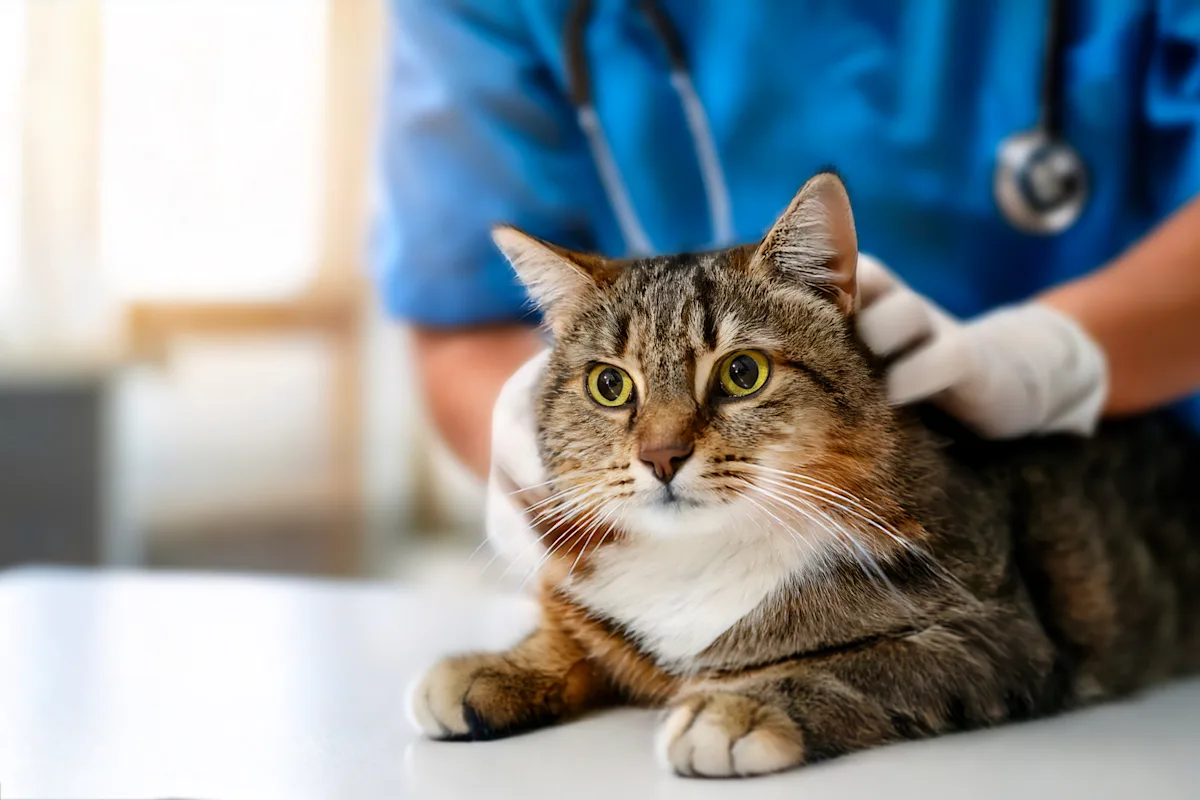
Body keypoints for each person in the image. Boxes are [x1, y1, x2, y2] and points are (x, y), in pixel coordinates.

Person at [372, 0, 1200, 488]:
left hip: (1148, 474)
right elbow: (467, 317)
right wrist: (543, 473)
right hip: (718, 509)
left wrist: (1048, 359)